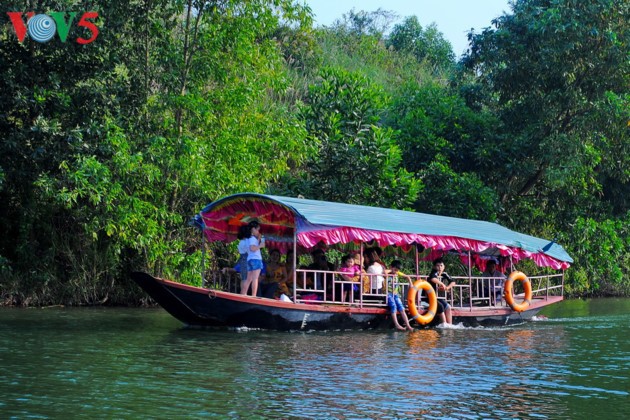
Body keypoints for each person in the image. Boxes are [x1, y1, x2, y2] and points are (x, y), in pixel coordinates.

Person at [426, 257, 456, 325]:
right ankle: (444, 324)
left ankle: (450, 325)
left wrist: (447, 287)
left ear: (444, 267)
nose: (439, 267)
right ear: (434, 267)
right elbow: (433, 279)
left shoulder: (444, 274)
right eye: (437, 265)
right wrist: (442, 284)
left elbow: (453, 282)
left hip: (438, 298)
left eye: (441, 265)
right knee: (440, 306)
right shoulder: (433, 273)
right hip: (429, 297)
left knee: (448, 306)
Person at [387, 260, 414, 330]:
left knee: (401, 308)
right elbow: (384, 272)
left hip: (395, 294)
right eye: (395, 270)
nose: (396, 272)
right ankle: (397, 324)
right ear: (391, 267)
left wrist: (411, 283)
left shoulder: (397, 273)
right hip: (388, 294)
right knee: (393, 306)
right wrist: (390, 270)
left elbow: (407, 277)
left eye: (397, 270)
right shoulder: (387, 274)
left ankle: (408, 325)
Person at [242, 220, 265, 296]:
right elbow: (252, 248)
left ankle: (244, 293)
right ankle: (254, 295)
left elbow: (253, 245)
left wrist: (259, 239)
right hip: (256, 259)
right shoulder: (252, 238)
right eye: (257, 229)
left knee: (249, 278)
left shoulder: (249, 238)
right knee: (255, 278)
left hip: (250, 259)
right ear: (253, 229)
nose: (258, 231)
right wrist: (260, 246)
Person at [236, 224, 250, 292]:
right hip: (246, 259)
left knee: (243, 278)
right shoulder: (246, 242)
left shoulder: (241, 242)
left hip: (242, 259)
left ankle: (243, 292)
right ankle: (243, 293)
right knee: (245, 278)